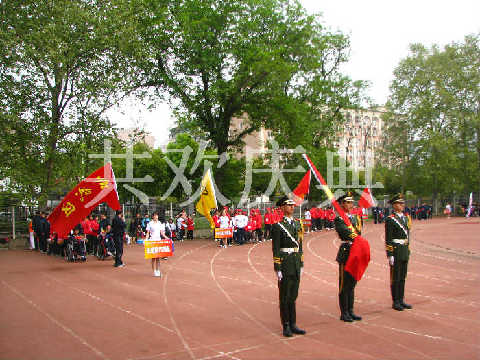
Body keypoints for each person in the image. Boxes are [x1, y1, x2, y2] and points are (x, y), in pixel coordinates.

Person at [271, 196, 306, 337]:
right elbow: (276, 248)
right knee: (284, 296)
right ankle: (285, 325)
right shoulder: (278, 226)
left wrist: (302, 263)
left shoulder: (298, 224)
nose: (292, 207)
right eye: (289, 205)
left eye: (293, 205)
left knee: (293, 295)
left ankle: (293, 324)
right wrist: (278, 267)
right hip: (285, 263)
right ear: (282, 207)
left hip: (296, 262)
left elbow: (301, 245)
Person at [334, 191, 363, 322]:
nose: (351, 204)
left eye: (352, 202)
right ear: (342, 204)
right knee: (344, 284)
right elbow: (344, 233)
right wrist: (355, 236)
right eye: (348, 202)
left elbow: (359, 232)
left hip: (355, 251)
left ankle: (351, 310)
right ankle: (344, 312)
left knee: (352, 283)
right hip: (346, 252)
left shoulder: (355, 218)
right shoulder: (339, 219)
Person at [385, 193, 412, 311]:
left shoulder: (406, 217)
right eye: (399, 203)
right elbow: (388, 238)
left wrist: (408, 249)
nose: (402, 205)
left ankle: (401, 299)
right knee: (395, 277)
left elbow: (408, 234)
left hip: (404, 249)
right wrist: (390, 254)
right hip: (396, 250)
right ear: (394, 205)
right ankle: (395, 301)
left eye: (403, 203)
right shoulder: (390, 219)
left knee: (402, 277)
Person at [146, 213, 166, 277]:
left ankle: (157, 270)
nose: (156, 216)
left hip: (158, 241)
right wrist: (146, 239)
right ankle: (154, 270)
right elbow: (148, 233)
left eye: (157, 215)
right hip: (152, 241)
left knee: (158, 257)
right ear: (153, 216)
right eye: (155, 215)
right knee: (153, 258)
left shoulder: (159, 223)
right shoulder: (150, 223)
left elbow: (162, 233)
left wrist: (168, 238)